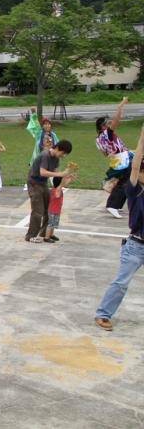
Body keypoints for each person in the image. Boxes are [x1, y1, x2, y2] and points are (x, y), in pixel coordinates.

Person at [95, 123, 144, 332]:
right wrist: (142, 135)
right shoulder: (134, 190)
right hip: (136, 246)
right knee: (121, 283)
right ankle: (103, 314)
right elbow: (134, 165)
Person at [25, 140, 73, 243]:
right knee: (38, 210)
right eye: (63, 153)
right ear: (58, 148)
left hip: (43, 183)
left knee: (49, 209)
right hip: (34, 183)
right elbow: (43, 172)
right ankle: (31, 236)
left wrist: (65, 178)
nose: (63, 156)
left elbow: (53, 173)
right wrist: (60, 174)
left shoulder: (56, 159)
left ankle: (45, 233)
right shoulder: (45, 155)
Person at [96, 98, 131, 219]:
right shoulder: (107, 133)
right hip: (121, 159)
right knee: (124, 182)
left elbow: (105, 154)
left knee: (125, 180)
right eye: (106, 123)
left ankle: (118, 204)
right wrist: (121, 105)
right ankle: (112, 205)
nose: (109, 124)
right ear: (102, 126)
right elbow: (116, 120)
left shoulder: (98, 139)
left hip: (117, 159)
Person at [26, 107, 59, 190]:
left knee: (51, 170)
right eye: (45, 124)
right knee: (35, 170)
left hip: (50, 156)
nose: (47, 125)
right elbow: (35, 124)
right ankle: (29, 184)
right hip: (39, 156)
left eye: (48, 124)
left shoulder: (53, 135)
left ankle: (56, 185)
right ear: (42, 125)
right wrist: (34, 114)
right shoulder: (39, 134)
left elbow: (57, 145)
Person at [45, 174, 75, 243]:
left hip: (55, 211)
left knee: (53, 224)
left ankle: (51, 235)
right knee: (50, 224)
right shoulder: (57, 190)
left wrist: (70, 178)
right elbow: (62, 183)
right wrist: (67, 176)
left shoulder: (56, 188)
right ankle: (47, 237)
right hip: (53, 211)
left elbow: (64, 183)